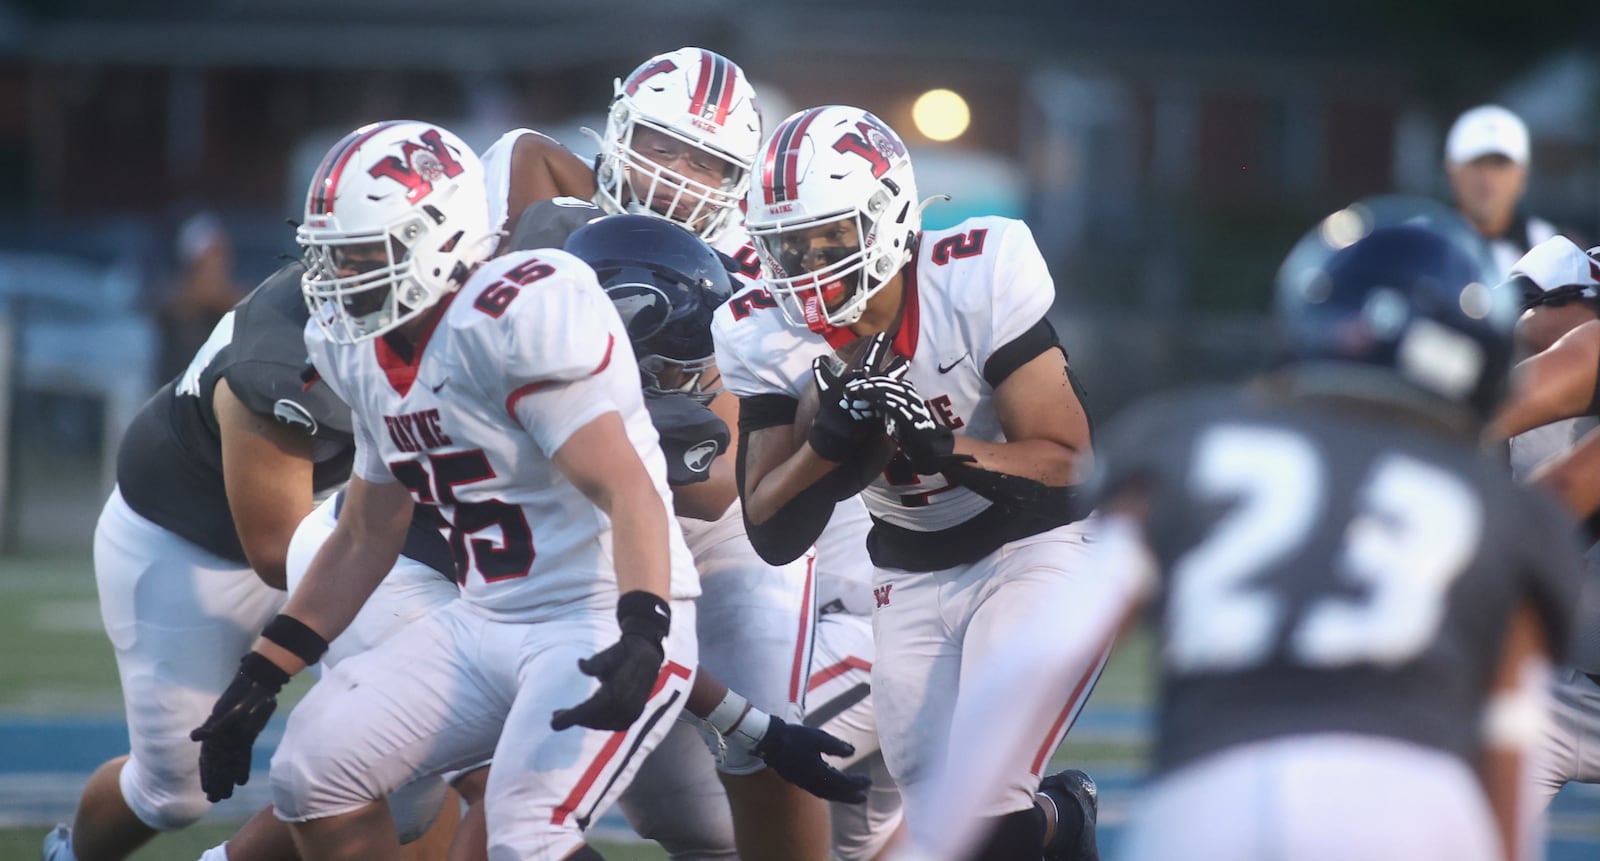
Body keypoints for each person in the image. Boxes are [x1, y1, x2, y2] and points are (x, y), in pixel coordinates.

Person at [945, 221, 1579, 861]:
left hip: (1214, 794)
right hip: (1410, 800)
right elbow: (1507, 734)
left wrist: (941, 833)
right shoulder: (1507, 508)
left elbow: (1043, 650)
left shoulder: (1190, 439)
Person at [185, 120, 702, 861]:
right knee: (313, 770)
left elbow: (628, 489)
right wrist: (262, 672)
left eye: (365, 254)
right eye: (331, 256)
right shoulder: (353, 347)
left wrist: (644, 626)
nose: (340, 278)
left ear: (445, 236)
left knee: (526, 836)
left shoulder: (520, 312)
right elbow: (366, 534)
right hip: (483, 616)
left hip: (593, 617)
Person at [483, 49, 895, 861]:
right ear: (617, 133)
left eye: (707, 162)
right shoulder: (543, 194)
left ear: (741, 181)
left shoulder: (766, 283)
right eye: (662, 147)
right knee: (670, 812)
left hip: (738, 523)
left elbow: (716, 488)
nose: (678, 177)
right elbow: (529, 157)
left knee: (757, 760)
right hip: (593, 504)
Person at [711, 104, 1104, 861]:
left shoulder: (977, 271)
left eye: (826, 236)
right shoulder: (757, 327)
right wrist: (826, 444)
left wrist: (948, 448)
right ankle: (1062, 824)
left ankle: (1061, 815)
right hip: (909, 574)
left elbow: (1069, 462)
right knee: (950, 835)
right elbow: (772, 529)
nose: (805, 264)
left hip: (1038, 549)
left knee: (985, 809)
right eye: (785, 245)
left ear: (888, 215)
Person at [1444, 104, 1562, 283]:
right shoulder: (1417, 241)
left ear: (1522, 174)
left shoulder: (1553, 251)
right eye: (1477, 163)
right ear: (1451, 170)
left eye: (1500, 164)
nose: (1487, 178)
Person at [155, 211, 247, 383]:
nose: (221, 264)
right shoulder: (174, 304)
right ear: (195, 264)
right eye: (214, 255)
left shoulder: (236, 302)